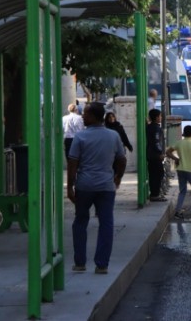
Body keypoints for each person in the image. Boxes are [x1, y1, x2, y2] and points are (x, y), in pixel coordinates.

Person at [67, 102, 127, 274]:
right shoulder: (113, 136)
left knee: (80, 222)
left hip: (84, 186)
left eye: (85, 113)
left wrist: (70, 187)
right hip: (106, 187)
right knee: (106, 223)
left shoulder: (80, 137)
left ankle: (80, 262)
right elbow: (122, 160)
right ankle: (102, 264)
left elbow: (73, 163)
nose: (83, 116)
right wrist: (117, 178)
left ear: (93, 116)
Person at [146, 109, 166, 202]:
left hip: (150, 154)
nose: (161, 118)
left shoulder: (149, 127)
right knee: (158, 174)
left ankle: (154, 193)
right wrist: (160, 152)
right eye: (160, 116)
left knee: (153, 174)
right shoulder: (156, 128)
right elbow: (156, 142)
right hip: (155, 155)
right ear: (157, 117)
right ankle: (155, 194)